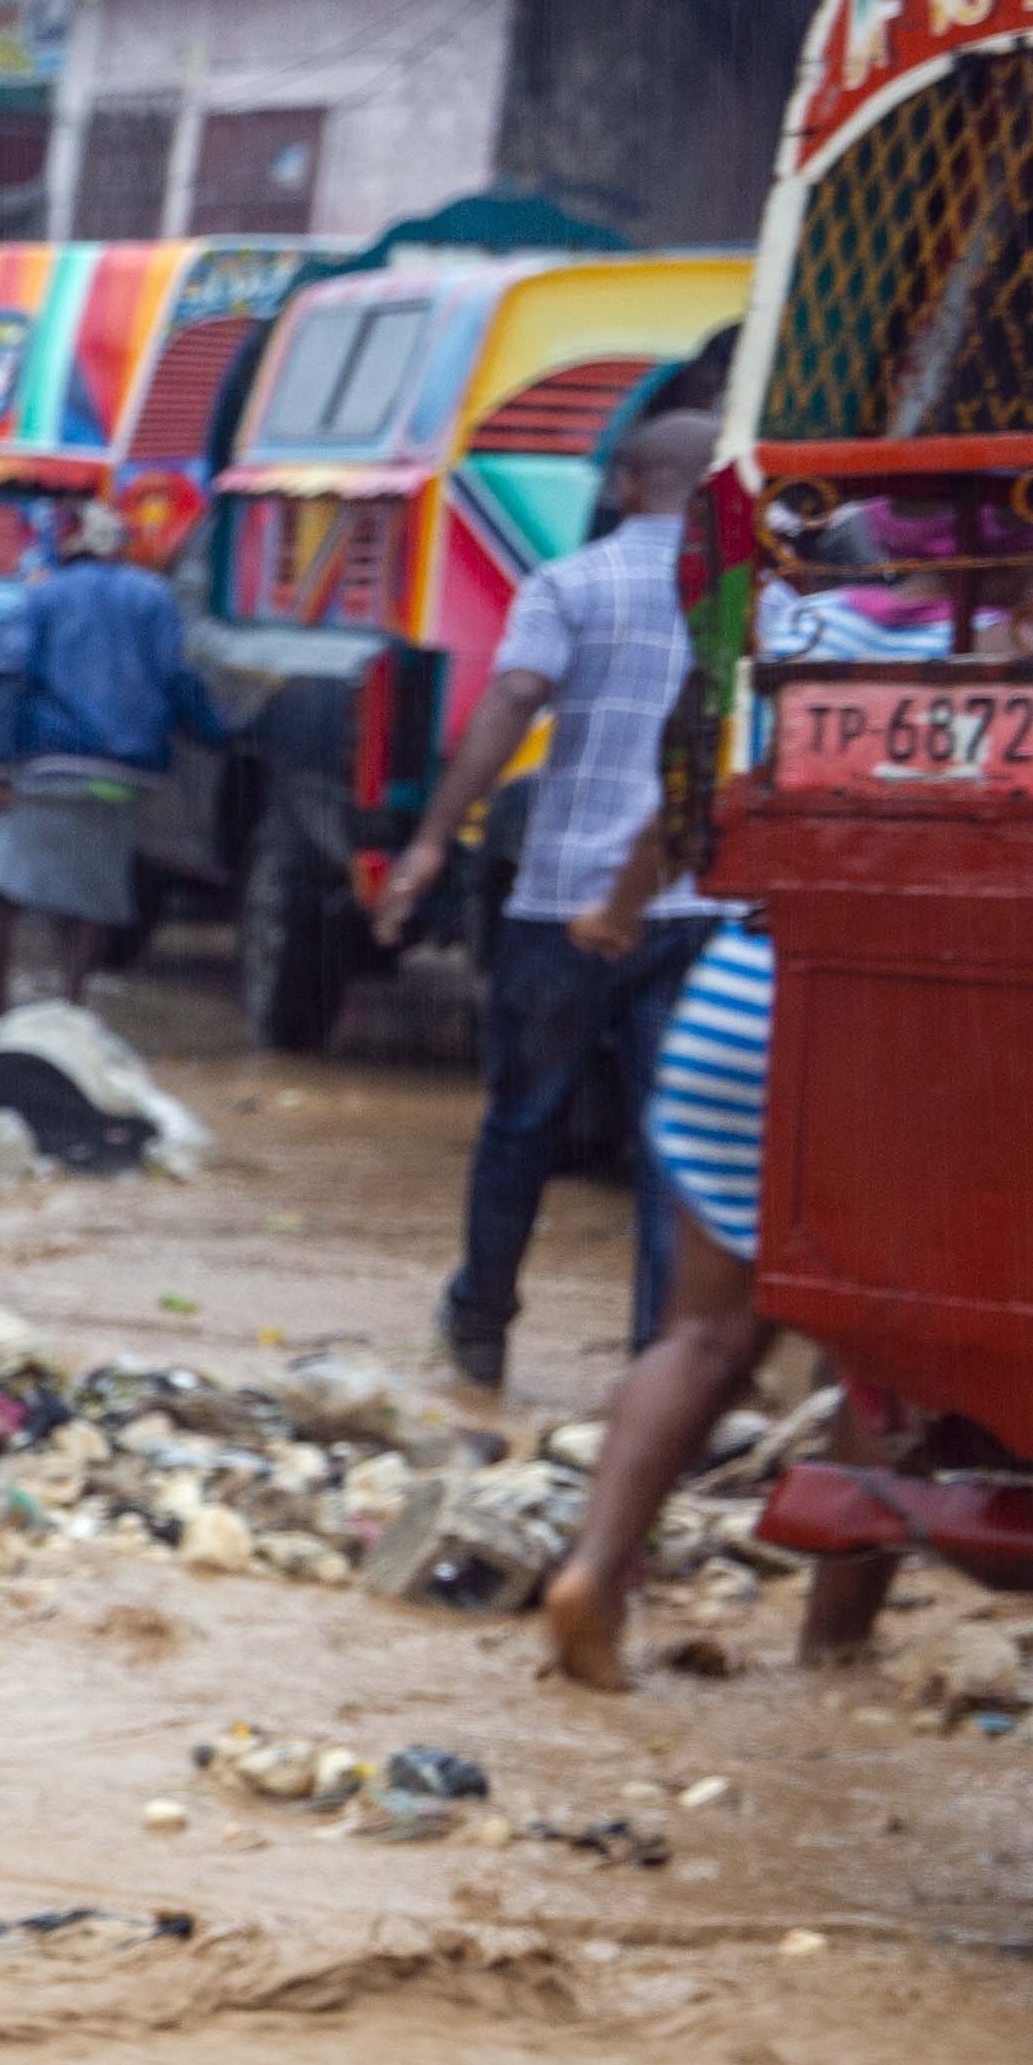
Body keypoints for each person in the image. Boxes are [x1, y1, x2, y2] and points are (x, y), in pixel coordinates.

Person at [530, 538, 937, 1691]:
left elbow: (688, 809)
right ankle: (833, 1656)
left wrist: (616, 913)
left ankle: (594, 1577)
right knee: (879, 1361)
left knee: (703, 1333)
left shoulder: (793, 641)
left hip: (746, 994)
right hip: (917, 1025)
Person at [373, 407, 723, 1389]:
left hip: (562, 899)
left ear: (625, 486)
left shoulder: (570, 584)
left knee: (522, 1121)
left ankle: (482, 1325)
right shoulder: (741, 602)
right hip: (695, 908)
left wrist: (436, 838)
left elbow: (513, 699)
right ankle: (662, 1357)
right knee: (672, 1142)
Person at [0, 496, 209, 1013]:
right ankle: (71, 1007)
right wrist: (218, 733)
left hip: (44, 768)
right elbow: (178, 678)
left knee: (2, 892)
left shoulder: (40, 598)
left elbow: (6, 676)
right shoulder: (155, 597)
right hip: (124, 775)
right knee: (90, 895)